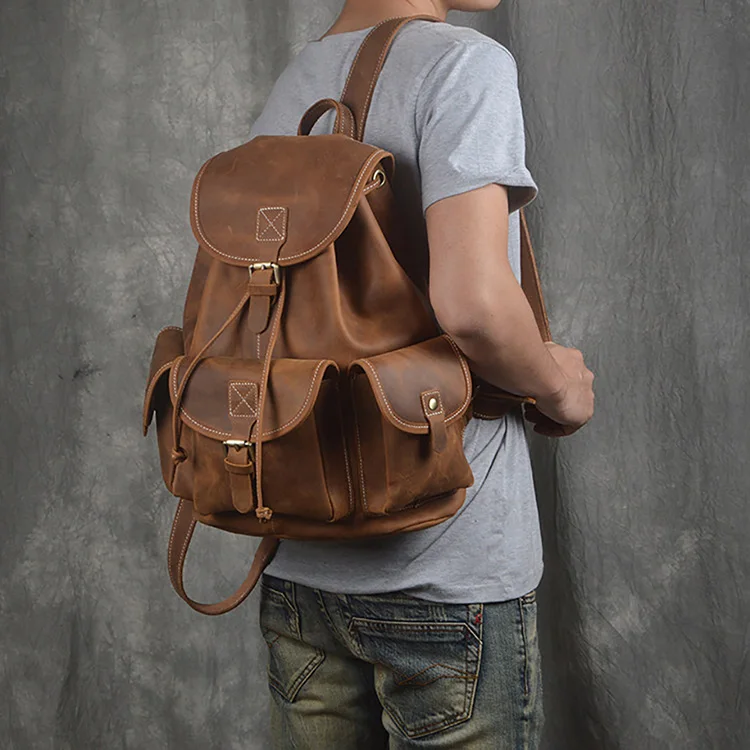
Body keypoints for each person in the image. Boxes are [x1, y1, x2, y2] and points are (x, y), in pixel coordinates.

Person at [250, 1, 595, 747]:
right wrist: (559, 386)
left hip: (301, 565)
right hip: (445, 568)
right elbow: (474, 306)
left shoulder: (297, 81)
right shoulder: (463, 63)